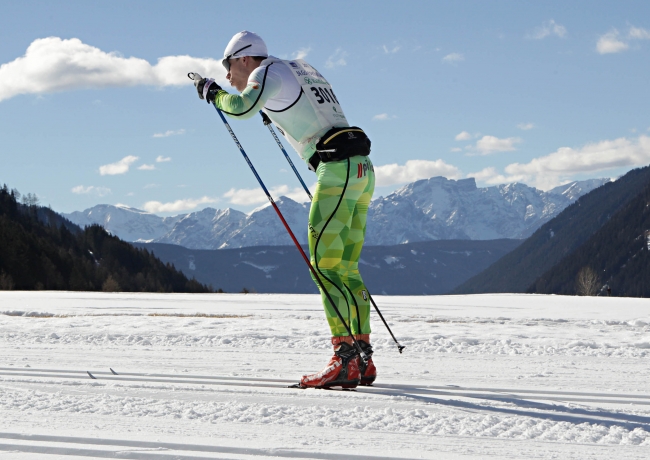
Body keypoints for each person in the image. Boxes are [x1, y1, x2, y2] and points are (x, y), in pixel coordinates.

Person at [194, 31, 376, 389]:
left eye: (228, 66)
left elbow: (241, 106)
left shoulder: (264, 73)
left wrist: (212, 93)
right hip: (362, 170)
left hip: (335, 170)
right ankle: (362, 358)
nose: (229, 75)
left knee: (324, 268)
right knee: (347, 270)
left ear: (245, 58)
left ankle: (344, 359)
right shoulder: (301, 68)